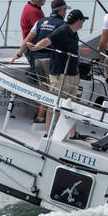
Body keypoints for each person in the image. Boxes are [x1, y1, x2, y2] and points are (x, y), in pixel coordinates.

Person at [28, 10, 90, 138]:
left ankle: (73, 134)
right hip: (60, 73)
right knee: (54, 103)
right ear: (78, 21)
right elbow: (47, 40)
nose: (83, 22)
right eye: (83, 20)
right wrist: (35, 47)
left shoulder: (74, 33)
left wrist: (83, 51)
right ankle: (48, 132)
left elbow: (71, 47)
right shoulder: (62, 30)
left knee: (71, 105)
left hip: (72, 73)